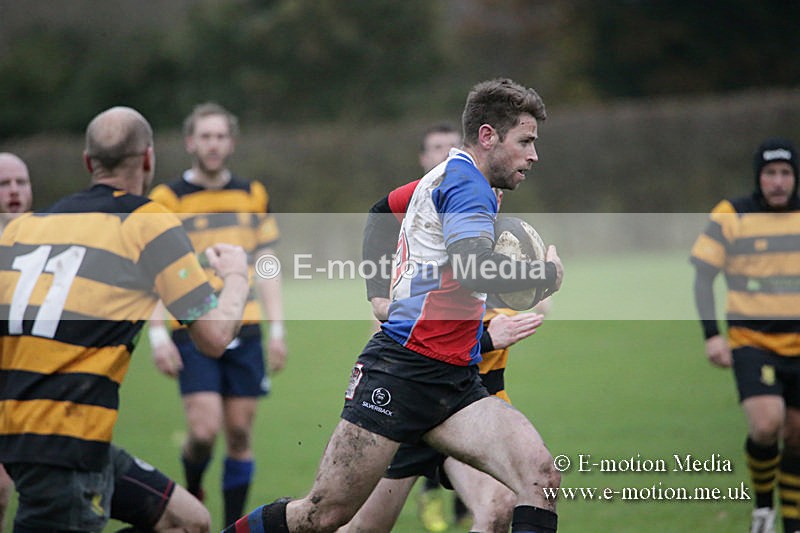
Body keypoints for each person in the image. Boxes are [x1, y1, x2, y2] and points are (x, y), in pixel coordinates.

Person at [224, 77, 564, 533]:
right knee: (321, 516)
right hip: (402, 374)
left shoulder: (445, 176)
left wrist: (378, 294)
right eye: (525, 141)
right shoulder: (467, 187)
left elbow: (381, 211)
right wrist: (544, 277)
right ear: (488, 136)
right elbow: (473, 269)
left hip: (455, 383)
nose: (533, 155)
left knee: (539, 477)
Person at [0, 106, 250, 532]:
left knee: (188, 522)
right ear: (148, 159)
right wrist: (237, 276)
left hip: (38, 435)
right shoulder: (146, 222)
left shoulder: (27, 228)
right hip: (66, 440)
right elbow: (213, 338)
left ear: (87, 162)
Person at [348, 124, 548, 533]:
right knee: (357, 526)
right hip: (410, 399)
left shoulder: (492, 236)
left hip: (468, 398)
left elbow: (536, 303)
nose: (445, 163)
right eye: (435, 153)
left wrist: (533, 282)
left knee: (498, 508)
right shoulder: (419, 245)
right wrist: (490, 336)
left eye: (450, 152)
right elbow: (402, 333)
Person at [148, 102, 287, 525]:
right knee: (204, 432)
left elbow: (266, 265)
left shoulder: (252, 193)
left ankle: (233, 524)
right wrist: (156, 335)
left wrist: (278, 328)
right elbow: (153, 271)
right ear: (191, 142)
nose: (213, 144)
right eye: (205, 136)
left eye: (220, 136)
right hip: (193, 329)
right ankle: (192, 488)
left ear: (231, 142)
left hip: (245, 330)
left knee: (241, 433)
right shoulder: (166, 199)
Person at [690, 138, 800, 533]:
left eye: (785, 173)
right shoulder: (732, 214)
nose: (777, 182)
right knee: (767, 425)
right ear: (758, 177)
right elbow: (703, 278)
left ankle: (793, 521)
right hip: (752, 342)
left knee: (797, 437)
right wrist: (711, 335)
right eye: (770, 173)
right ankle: (764, 509)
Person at [0, 152, 33, 533]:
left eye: (21, 183)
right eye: (4, 184)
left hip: (32, 386)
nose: (13, 191)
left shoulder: (48, 246)